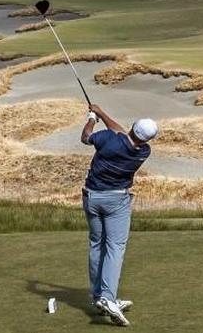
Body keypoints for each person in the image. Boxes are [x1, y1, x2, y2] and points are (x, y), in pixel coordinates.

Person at [81, 104, 159, 327]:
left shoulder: (107, 139)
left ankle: (100, 297)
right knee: (115, 247)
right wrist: (102, 113)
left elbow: (86, 138)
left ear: (133, 127)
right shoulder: (143, 151)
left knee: (97, 244)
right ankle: (107, 298)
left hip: (92, 197)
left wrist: (92, 118)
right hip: (117, 201)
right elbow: (121, 133)